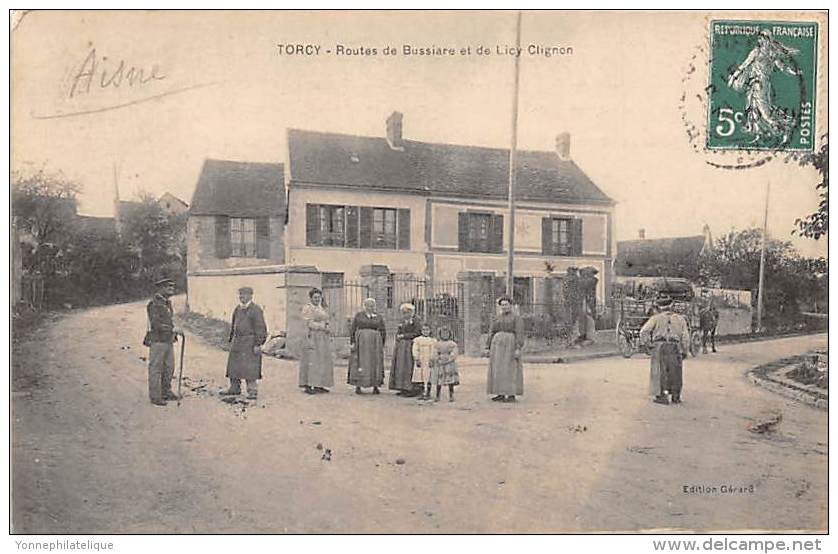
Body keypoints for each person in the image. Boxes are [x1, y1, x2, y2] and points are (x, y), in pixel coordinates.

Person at [639, 295, 691, 405]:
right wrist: (685, 350)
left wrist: (648, 344)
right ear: (671, 306)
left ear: (659, 306)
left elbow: (644, 331)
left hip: (660, 346)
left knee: (661, 372)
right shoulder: (680, 319)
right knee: (675, 372)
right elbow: (685, 336)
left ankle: (663, 396)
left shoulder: (655, 318)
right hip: (675, 346)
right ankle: (675, 397)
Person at [221, 287, 267, 400]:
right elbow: (233, 324)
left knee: (250, 367)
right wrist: (231, 338)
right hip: (237, 341)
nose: (241, 297)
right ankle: (234, 388)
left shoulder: (256, 310)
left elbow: (261, 328)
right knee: (234, 366)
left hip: (249, 342)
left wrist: (258, 344)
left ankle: (252, 391)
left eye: (244, 295)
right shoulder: (238, 309)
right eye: (240, 295)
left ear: (251, 295)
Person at [145, 278, 182, 406]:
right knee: (156, 368)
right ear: (161, 289)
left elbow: (169, 320)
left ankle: (166, 391)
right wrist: (172, 328)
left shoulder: (167, 303)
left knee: (169, 367)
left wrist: (174, 329)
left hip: (168, 340)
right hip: (158, 340)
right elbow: (156, 324)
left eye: (172, 287)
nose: (172, 290)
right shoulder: (154, 304)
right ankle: (155, 396)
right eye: (169, 287)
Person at [486, 296, 525, 403]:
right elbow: (492, 331)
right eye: (502, 305)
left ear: (511, 305)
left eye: (506, 305)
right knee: (498, 369)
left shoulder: (516, 318)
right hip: (497, 346)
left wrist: (518, 348)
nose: (504, 307)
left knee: (510, 369)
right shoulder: (497, 317)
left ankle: (511, 394)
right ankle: (500, 393)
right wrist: (488, 346)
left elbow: (519, 333)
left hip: (510, 344)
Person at [299, 288, 334, 394]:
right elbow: (308, 323)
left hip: (323, 338)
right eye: (315, 297)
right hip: (312, 336)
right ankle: (309, 384)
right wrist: (321, 326)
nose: (317, 299)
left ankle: (320, 384)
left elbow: (327, 319)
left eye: (319, 297)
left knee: (322, 360)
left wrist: (327, 326)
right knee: (312, 360)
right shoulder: (307, 308)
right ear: (310, 298)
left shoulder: (322, 308)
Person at [348, 298, 386, 395]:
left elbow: (383, 330)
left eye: (372, 305)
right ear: (364, 306)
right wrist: (352, 342)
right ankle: (358, 386)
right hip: (361, 343)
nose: (370, 307)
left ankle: (375, 386)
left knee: (375, 363)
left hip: (375, 344)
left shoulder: (378, 317)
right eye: (368, 305)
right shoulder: (359, 316)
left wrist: (382, 343)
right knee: (360, 362)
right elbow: (353, 329)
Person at [389, 303, 422, 397]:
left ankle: (411, 388)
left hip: (411, 346)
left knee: (409, 366)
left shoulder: (416, 321)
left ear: (412, 312)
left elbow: (417, 333)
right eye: (403, 312)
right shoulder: (402, 321)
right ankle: (402, 387)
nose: (405, 314)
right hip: (401, 347)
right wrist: (398, 336)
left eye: (407, 312)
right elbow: (398, 331)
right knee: (400, 367)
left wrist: (404, 336)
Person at [433, 327, 460, 402]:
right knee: (439, 380)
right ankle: (437, 395)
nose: (445, 335)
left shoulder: (452, 344)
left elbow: (454, 353)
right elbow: (435, 353)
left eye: (447, 334)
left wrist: (449, 359)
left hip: (449, 364)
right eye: (443, 334)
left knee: (450, 381)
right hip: (440, 363)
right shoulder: (437, 344)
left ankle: (451, 395)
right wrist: (438, 359)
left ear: (450, 334)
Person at [412, 323, 437, 401]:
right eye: (424, 330)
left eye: (427, 330)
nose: (425, 331)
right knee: (420, 376)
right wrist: (416, 358)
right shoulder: (417, 340)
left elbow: (434, 350)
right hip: (420, 359)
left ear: (430, 331)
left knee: (428, 375)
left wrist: (432, 359)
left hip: (428, 359)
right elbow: (415, 349)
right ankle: (422, 392)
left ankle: (428, 393)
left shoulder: (432, 341)